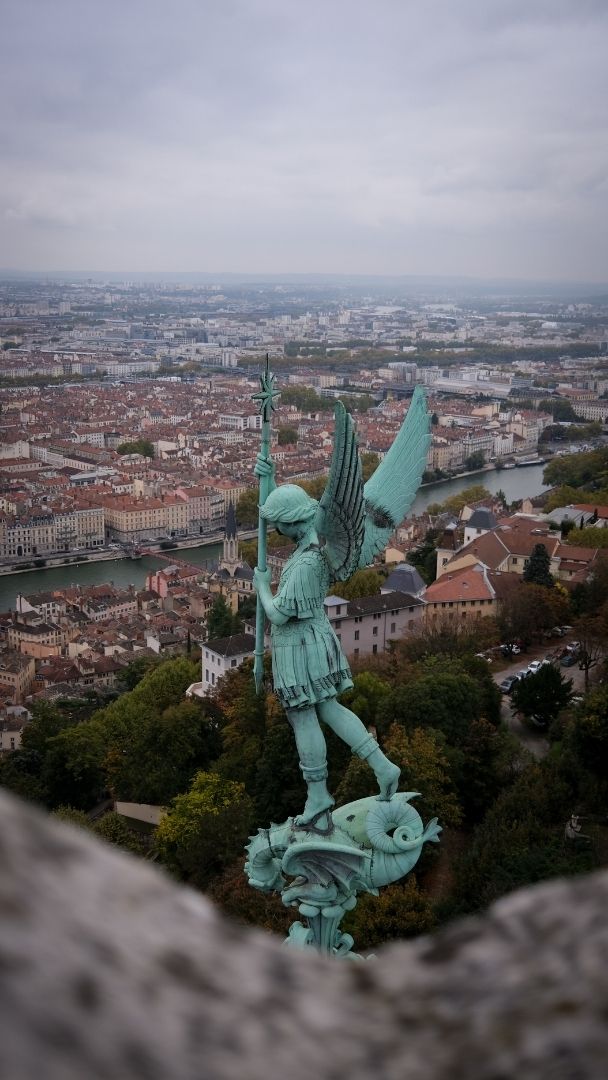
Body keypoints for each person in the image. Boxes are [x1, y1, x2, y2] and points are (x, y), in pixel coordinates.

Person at [253, 455, 399, 829]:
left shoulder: (304, 566)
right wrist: (268, 483)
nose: (277, 533)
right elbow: (283, 515)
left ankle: (318, 797)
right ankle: (382, 766)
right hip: (316, 639)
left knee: (303, 717)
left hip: (297, 645)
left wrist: (262, 589)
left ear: (291, 524)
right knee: (329, 709)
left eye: (280, 526)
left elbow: (278, 614)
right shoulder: (318, 543)